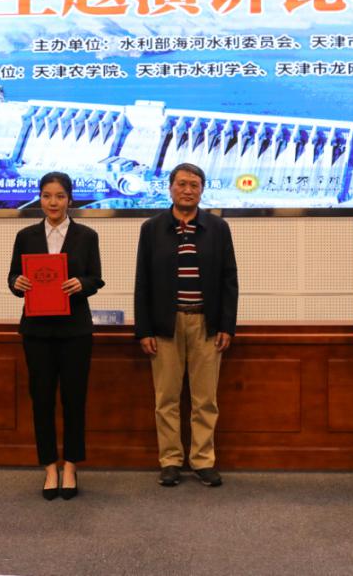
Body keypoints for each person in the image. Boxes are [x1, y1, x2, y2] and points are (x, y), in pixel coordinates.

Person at [134, 163, 238, 488]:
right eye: (181, 184)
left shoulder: (217, 228)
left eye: (194, 185)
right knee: (166, 399)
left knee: (205, 399)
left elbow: (229, 280)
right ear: (170, 188)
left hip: (207, 324)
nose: (188, 190)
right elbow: (142, 282)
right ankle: (170, 461)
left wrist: (227, 326)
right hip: (165, 325)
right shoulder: (152, 228)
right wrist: (144, 329)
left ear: (202, 190)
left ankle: (203, 461)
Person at [7, 171, 104, 501]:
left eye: (60, 196)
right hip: (37, 331)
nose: (53, 202)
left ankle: (71, 465)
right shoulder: (26, 236)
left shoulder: (86, 236)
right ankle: (50, 466)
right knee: (42, 400)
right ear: (40, 198)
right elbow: (13, 277)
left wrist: (81, 284)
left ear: (69, 199)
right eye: (47, 195)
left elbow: (95, 278)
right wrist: (17, 283)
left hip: (75, 330)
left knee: (74, 400)